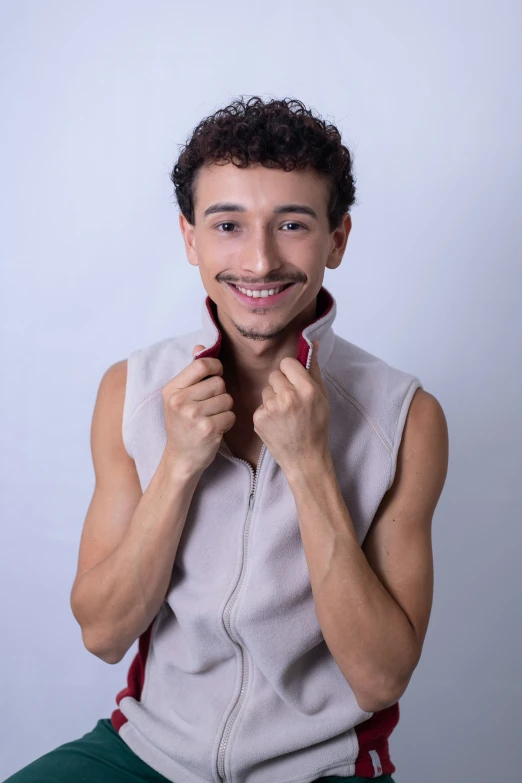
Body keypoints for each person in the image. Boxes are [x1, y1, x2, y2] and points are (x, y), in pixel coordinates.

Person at [5, 96, 448, 783]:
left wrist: (309, 467)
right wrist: (179, 466)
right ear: (191, 239)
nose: (260, 260)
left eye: (293, 224)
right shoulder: (131, 391)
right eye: (228, 225)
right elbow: (103, 633)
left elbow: (381, 676)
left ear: (338, 238)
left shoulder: (407, 416)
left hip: (321, 767)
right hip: (148, 752)